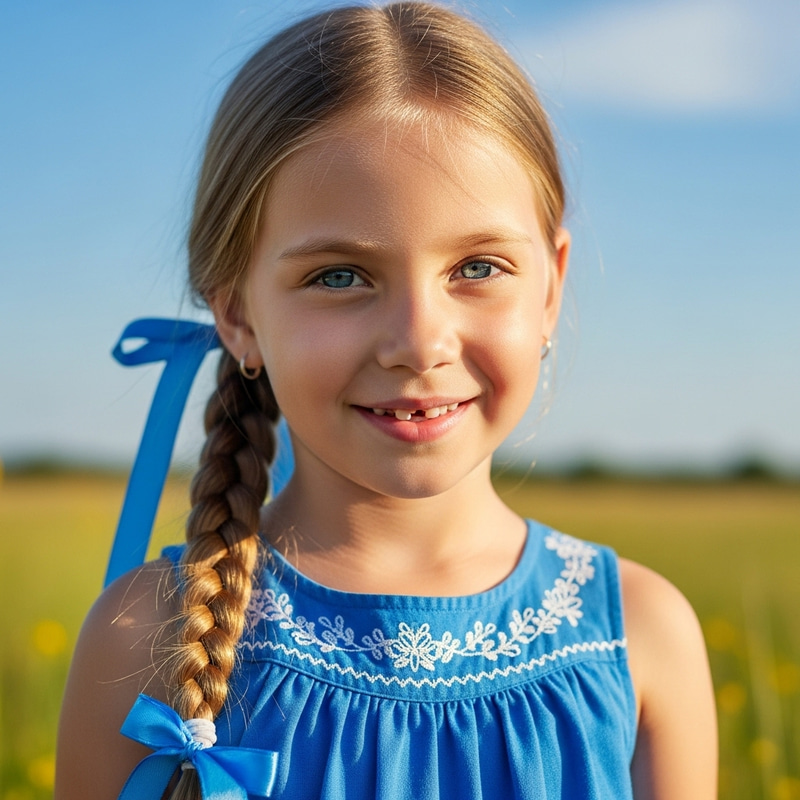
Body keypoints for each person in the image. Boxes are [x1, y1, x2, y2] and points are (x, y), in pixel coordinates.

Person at [55, 3, 717, 798]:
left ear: (551, 287)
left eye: (478, 266)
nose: (419, 340)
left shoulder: (642, 635)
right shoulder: (141, 640)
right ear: (236, 313)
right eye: (339, 276)